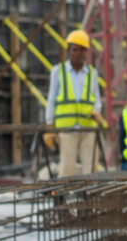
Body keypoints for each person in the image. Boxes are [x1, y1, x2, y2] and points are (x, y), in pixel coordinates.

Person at [44, 30, 105, 178]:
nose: (78, 53)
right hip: (67, 128)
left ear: (86, 52)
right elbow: (51, 99)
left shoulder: (92, 73)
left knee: (90, 169)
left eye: (82, 50)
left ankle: (91, 198)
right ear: (69, 51)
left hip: (88, 128)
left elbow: (96, 98)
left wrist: (96, 111)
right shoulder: (58, 71)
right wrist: (49, 125)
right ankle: (63, 199)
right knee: (67, 169)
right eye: (75, 49)